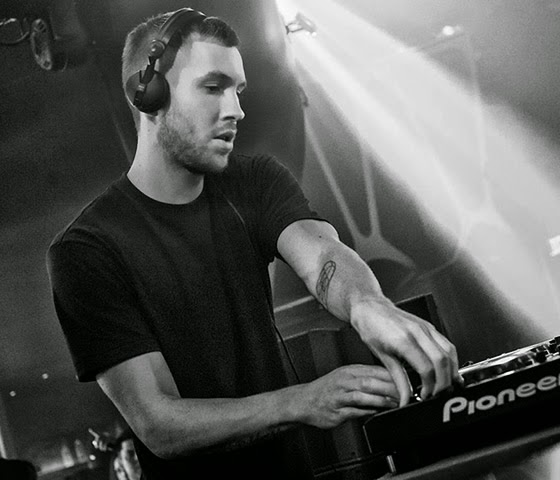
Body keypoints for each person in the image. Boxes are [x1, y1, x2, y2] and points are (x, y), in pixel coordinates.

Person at [47, 7, 461, 479]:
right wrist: (301, 402)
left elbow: (322, 255)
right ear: (148, 95)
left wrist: (368, 306)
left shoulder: (255, 182)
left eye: (238, 90)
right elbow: (159, 423)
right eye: (212, 87)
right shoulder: (86, 251)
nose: (236, 110)